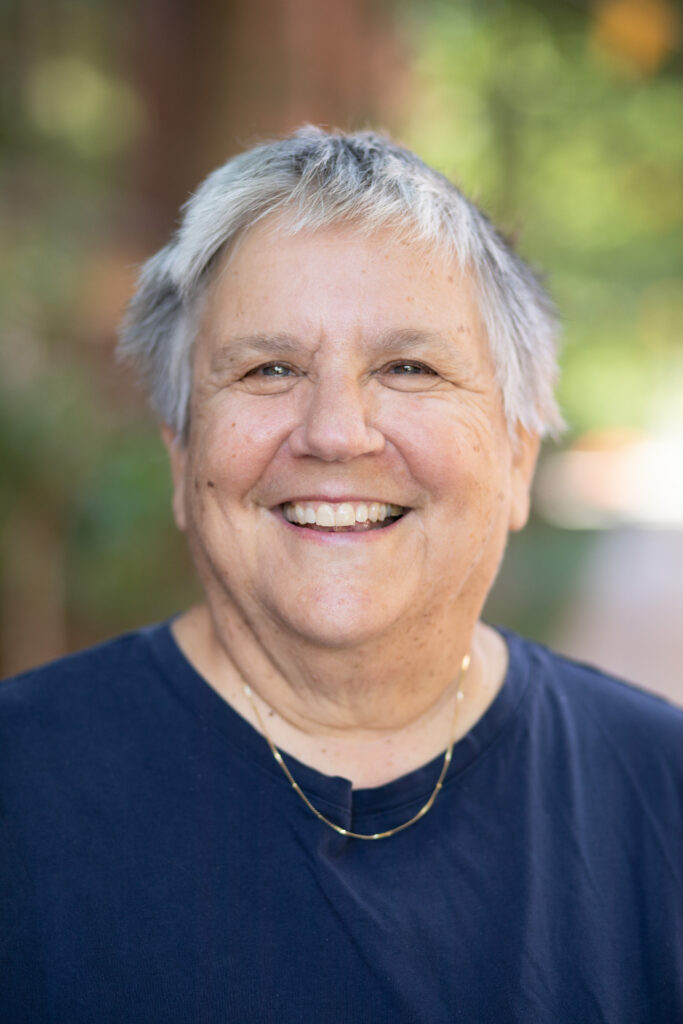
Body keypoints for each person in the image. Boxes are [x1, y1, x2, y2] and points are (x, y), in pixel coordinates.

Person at [1, 126, 681, 1024]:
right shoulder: (19, 788)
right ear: (180, 459)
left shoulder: (661, 789)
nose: (334, 431)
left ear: (517, 460)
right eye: (269, 367)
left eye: (408, 367)